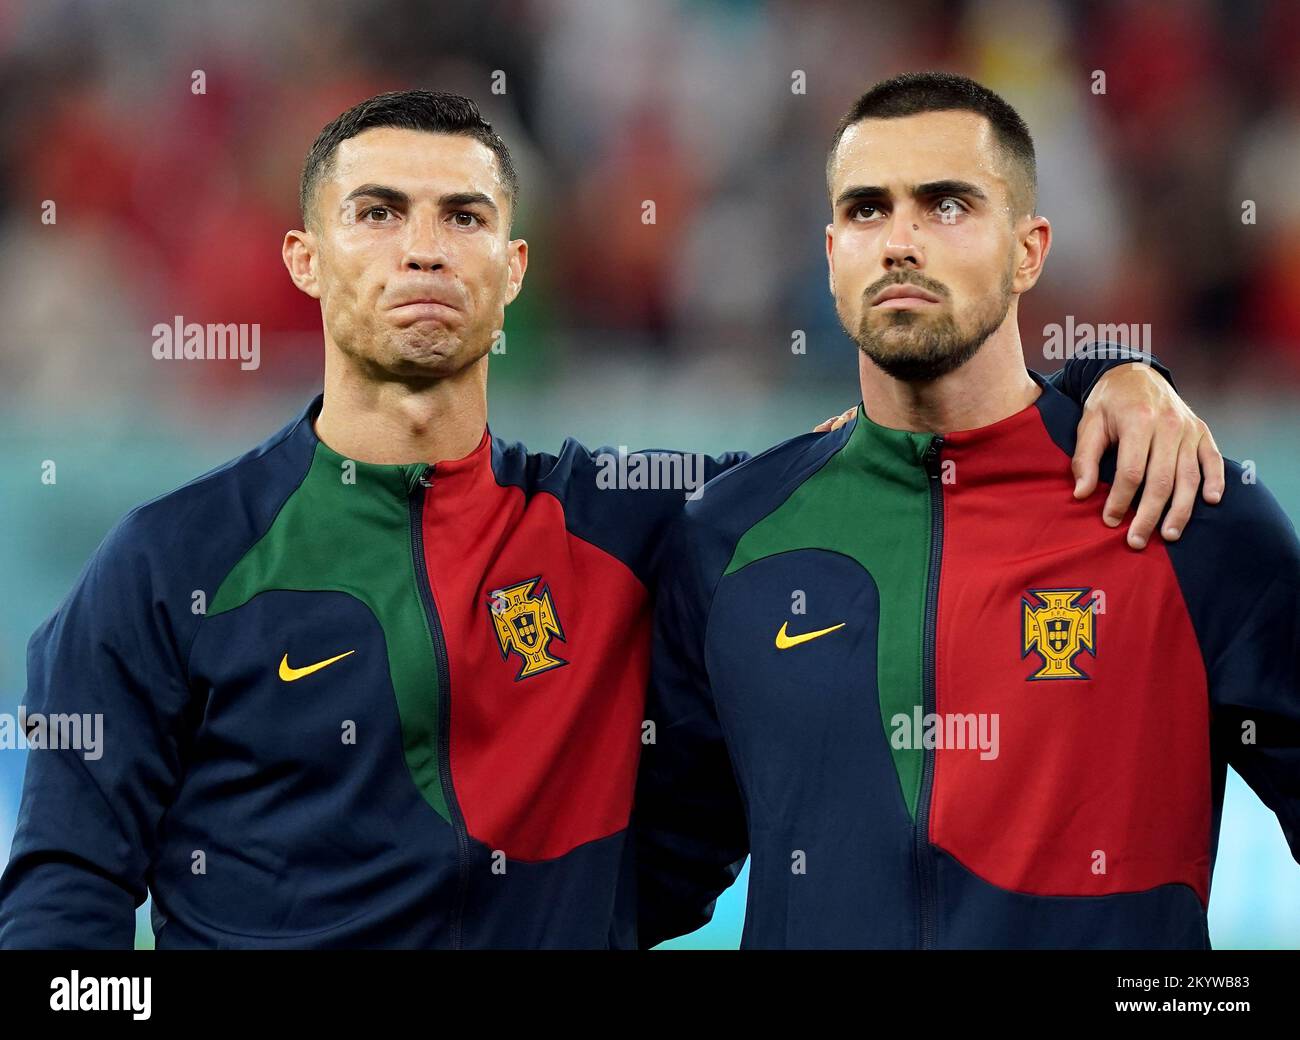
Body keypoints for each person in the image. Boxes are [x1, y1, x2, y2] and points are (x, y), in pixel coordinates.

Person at [0, 89, 1215, 949]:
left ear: (515, 266)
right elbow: (62, 896)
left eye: (463, 218)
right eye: (377, 214)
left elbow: (904, 438)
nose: (423, 249)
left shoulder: (636, 521)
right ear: (305, 257)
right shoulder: (173, 564)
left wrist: (1101, 376)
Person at [634, 72, 1298, 950]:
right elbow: (647, 876)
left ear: (1030, 250)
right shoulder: (727, 538)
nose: (900, 241)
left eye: (947, 205)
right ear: (832, 252)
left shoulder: (1179, 505)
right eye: (868, 210)